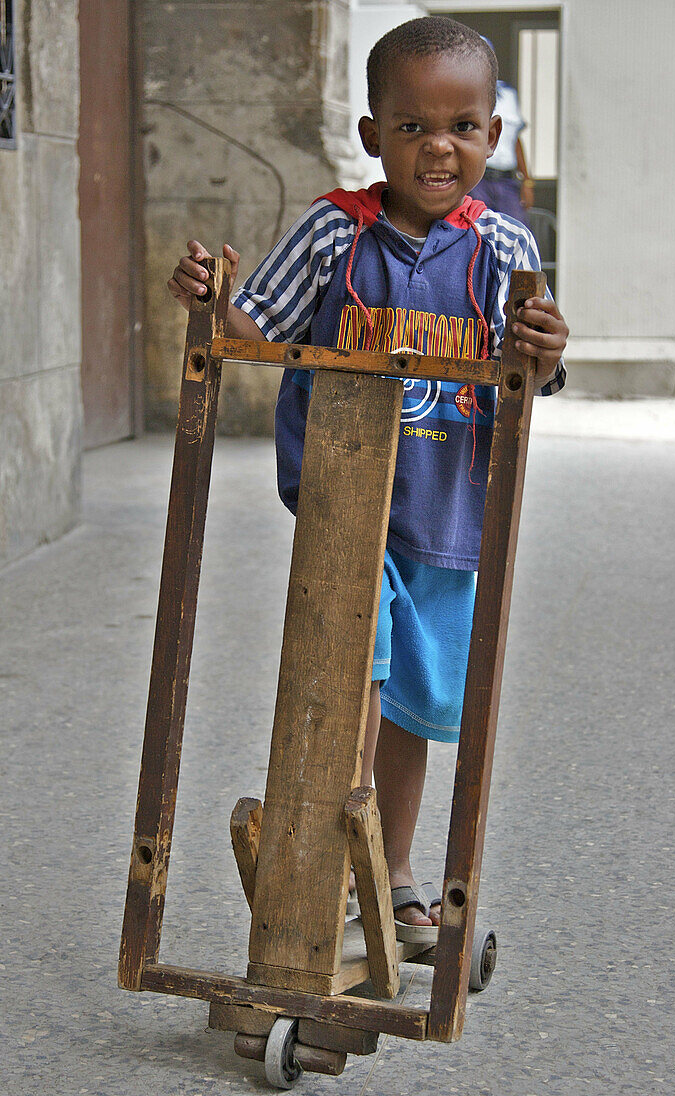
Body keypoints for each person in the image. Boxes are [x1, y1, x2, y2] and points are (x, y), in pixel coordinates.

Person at [168, 16, 568, 942]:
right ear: (371, 135)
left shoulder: (504, 251)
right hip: (345, 511)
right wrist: (213, 300)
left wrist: (547, 351)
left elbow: (533, 377)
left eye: (463, 128)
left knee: (416, 713)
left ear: (492, 139)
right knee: (345, 679)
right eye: (412, 126)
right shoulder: (332, 235)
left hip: (453, 517)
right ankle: (323, 862)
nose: (439, 146)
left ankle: (392, 872)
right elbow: (253, 338)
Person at [470, 42, 534, 226]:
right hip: (477, 180)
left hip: (506, 181)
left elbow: (514, 139)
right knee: (478, 234)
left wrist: (527, 181)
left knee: (517, 231)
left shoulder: (507, 93)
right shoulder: (461, 93)